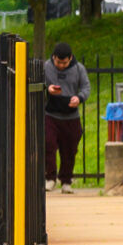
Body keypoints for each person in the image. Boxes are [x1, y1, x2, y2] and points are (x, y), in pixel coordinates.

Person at [41, 41, 91, 191]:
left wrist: (79, 98)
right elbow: (38, 83)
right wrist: (47, 88)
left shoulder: (79, 69)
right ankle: (50, 178)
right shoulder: (46, 67)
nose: (61, 66)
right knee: (48, 145)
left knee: (69, 150)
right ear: (53, 57)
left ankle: (66, 181)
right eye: (58, 62)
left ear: (70, 58)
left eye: (64, 63)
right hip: (51, 114)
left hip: (71, 116)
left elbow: (86, 87)